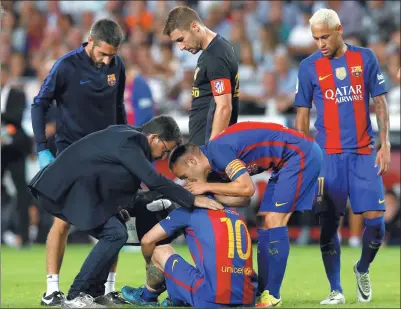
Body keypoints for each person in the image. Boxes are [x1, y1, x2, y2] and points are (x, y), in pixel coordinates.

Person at [28, 115, 223, 308]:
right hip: (63, 188)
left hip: (76, 188)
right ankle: (76, 295)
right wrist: (193, 199)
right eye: (165, 150)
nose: (162, 157)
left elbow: (113, 175)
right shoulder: (132, 141)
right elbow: (153, 180)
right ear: (154, 138)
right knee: (115, 233)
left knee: (116, 231)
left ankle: (94, 294)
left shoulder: (127, 136)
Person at [293, 8, 391, 305]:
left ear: (339, 29)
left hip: (363, 153)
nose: (320, 43)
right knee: (328, 223)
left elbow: (381, 102)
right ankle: (336, 289)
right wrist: (304, 155)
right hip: (327, 157)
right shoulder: (308, 67)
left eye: (325, 37)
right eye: (315, 38)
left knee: (376, 224)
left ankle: (362, 268)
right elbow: (302, 114)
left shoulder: (365, 58)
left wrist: (384, 144)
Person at [168, 121, 323, 307]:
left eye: (185, 176)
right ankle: (264, 291)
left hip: (300, 155)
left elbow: (247, 188)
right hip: (284, 163)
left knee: (274, 220)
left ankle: (272, 294)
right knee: (264, 220)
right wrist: (211, 196)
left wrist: (206, 187)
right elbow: (243, 200)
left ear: (192, 161)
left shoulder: (218, 150)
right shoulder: (215, 166)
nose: (187, 181)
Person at [31, 19, 128, 306]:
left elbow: (119, 106)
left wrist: (125, 143)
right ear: (90, 41)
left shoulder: (117, 66)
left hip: (108, 152)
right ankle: (51, 291)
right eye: (103, 53)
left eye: (112, 54)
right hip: (72, 151)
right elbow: (39, 103)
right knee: (63, 220)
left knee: (116, 216)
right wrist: (41, 149)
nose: (107, 59)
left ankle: (107, 289)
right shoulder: (66, 66)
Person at [121, 199, 257, 308]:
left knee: (160, 250)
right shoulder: (236, 215)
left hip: (212, 299)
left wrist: (150, 266)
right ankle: (176, 299)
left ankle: (147, 297)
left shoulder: (188, 211)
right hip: (247, 298)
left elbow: (147, 240)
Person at [163, 6, 239, 145]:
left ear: (194, 26)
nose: (181, 47)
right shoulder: (213, 51)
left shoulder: (215, 55)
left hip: (207, 146)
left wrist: (211, 150)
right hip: (202, 142)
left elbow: (224, 107)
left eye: (181, 39)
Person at [1, 63, 32, 247]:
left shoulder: (17, 94)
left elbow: (16, 118)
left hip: (14, 150)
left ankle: (24, 237)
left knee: (22, 192)